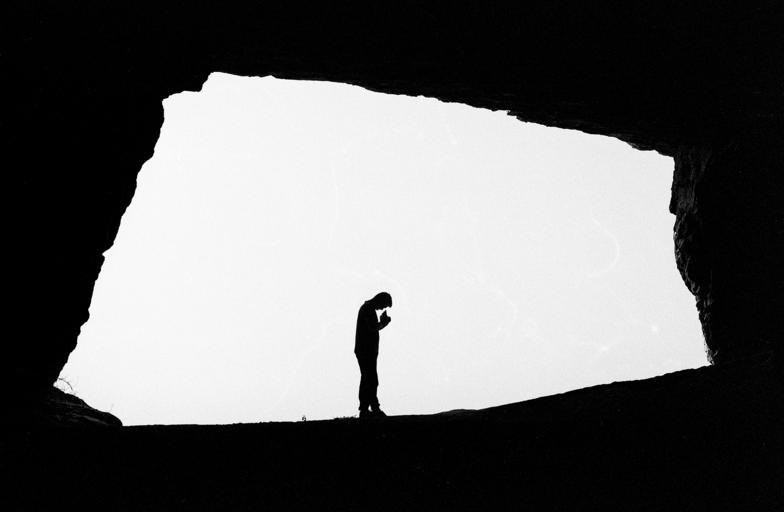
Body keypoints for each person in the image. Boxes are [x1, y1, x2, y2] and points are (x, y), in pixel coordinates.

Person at [354, 292, 392, 418]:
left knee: (368, 378)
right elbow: (372, 327)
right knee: (370, 379)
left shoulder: (368, 309)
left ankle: (367, 408)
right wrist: (384, 323)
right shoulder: (367, 309)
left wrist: (382, 323)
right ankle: (370, 408)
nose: (382, 308)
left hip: (367, 350)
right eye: (383, 305)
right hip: (366, 350)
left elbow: (372, 327)